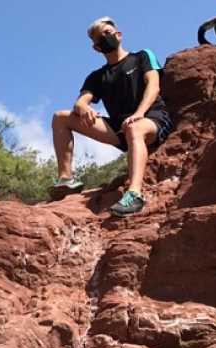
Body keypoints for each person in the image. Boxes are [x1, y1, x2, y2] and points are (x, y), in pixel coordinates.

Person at [48, 17, 174, 217]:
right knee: (60, 117)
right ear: (96, 48)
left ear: (119, 34)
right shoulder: (97, 76)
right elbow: (81, 101)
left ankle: (134, 194)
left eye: (107, 32)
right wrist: (83, 108)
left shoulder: (142, 56)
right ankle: (66, 180)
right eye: (100, 38)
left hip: (152, 118)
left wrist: (139, 114)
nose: (105, 38)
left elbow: (153, 85)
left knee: (134, 127)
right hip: (120, 127)